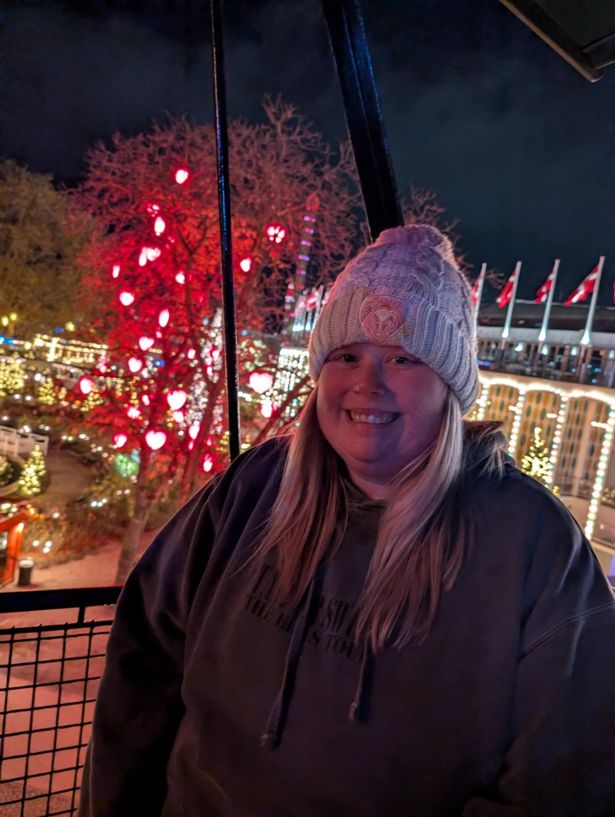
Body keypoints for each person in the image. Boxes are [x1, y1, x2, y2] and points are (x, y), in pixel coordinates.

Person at [79, 225, 615, 817]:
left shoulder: (533, 542)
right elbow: (144, 662)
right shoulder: (252, 489)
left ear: (449, 387)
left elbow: (564, 779)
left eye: (404, 358)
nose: (368, 382)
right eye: (347, 355)